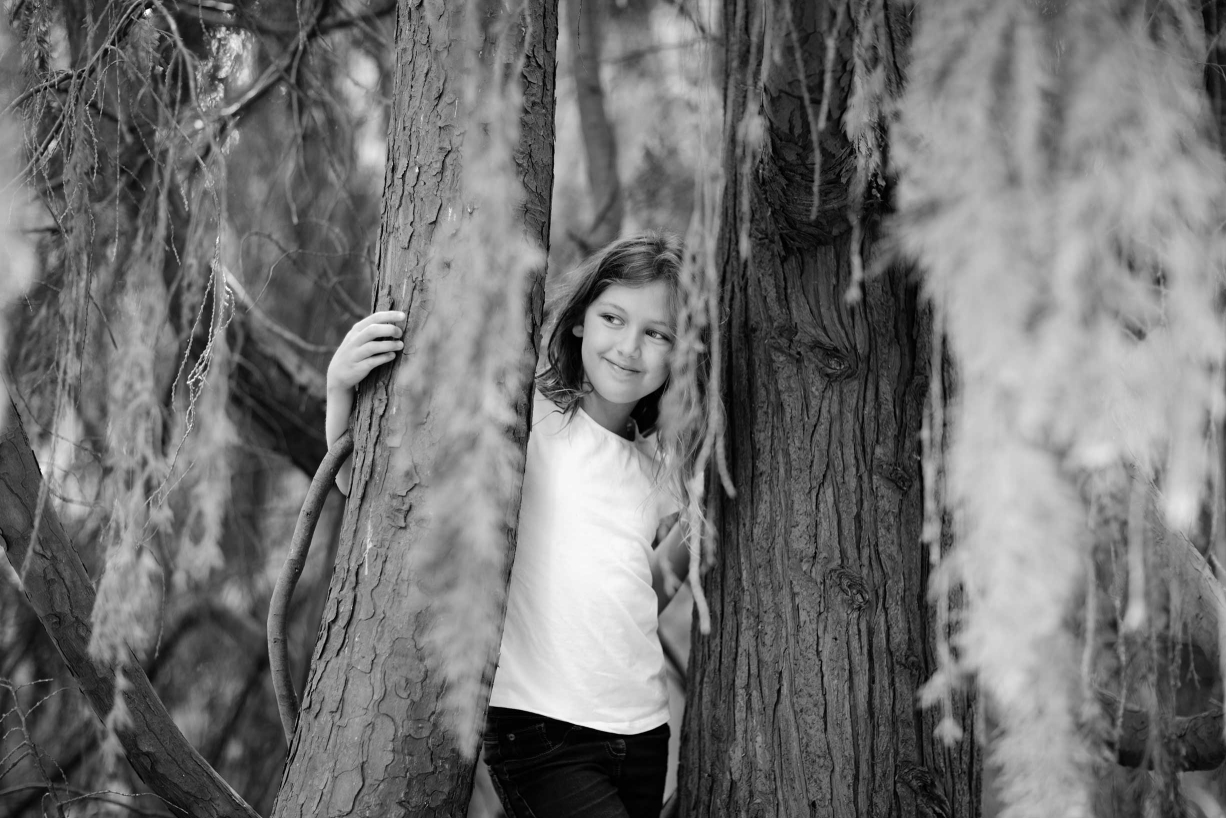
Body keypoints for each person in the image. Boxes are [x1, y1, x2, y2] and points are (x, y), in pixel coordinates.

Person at [325, 232, 699, 818]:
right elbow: (378, 500)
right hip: (542, 731)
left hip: (645, 729)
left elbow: (646, 581)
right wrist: (338, 392)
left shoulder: (659, 464)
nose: (630, 348)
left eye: (657, 334)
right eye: (613, 318)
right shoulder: (530, 419)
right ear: (579, 321)